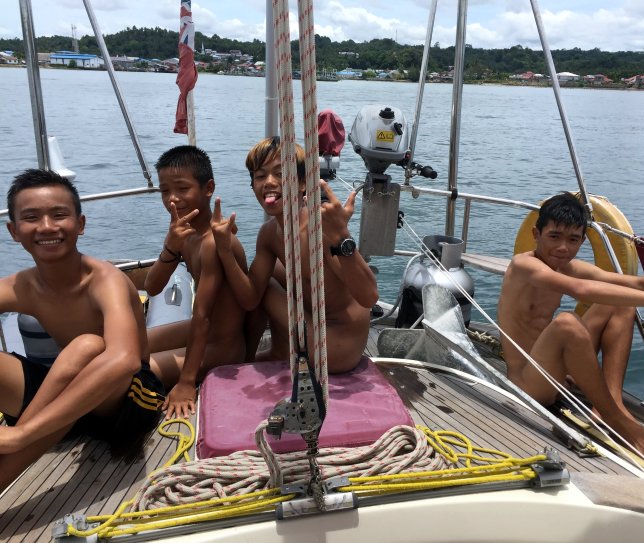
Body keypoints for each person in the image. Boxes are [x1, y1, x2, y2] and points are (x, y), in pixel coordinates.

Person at [498, 192, 644, 465]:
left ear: (583, 240)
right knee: (567, 322)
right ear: (536, 234)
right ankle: (620, 422)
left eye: (573, 240)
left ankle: (610, 403)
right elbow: (580, 289)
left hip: (554, 372)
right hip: (528, 384)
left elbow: (637, 284)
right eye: (554, 236)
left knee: (620, 301)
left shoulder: (568, 267)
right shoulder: (523, 265)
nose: (563, 248)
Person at [0, 169, 164, 492]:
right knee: (79, 352)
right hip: (67, 401)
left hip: (125, 401)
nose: (47, 226)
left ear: (80, 224)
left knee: (87, 345)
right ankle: (29, 434)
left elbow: (125, 360)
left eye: (59, 215)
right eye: (31, 217)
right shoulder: (21, 286)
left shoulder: (105, 280)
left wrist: (22, 433)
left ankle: (18, 443)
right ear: (14, 231)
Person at [211, 136, 378, 373]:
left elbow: (369, 297)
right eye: (260, 176)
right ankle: (271, 351)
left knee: (267, 284)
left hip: (338, 348)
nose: (269, 182)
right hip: (316, 332)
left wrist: (341, 235)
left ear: (302, 183)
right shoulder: (269, 234)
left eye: (280, 174)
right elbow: (249, 299)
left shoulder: (320, 227)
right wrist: (225, 249)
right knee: (272, 274)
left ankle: (247, 356)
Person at [145, 145, 250, 419]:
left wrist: (186, 381)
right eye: (165, 191)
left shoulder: (213, 243)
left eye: (182, 188)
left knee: (136, 371)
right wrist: (171, 246)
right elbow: (153, 287)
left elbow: (202, 315)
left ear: (208, 188)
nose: (172, 199)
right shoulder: (184, 233)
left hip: (222, 348)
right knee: (129, 347)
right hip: (199, 332)